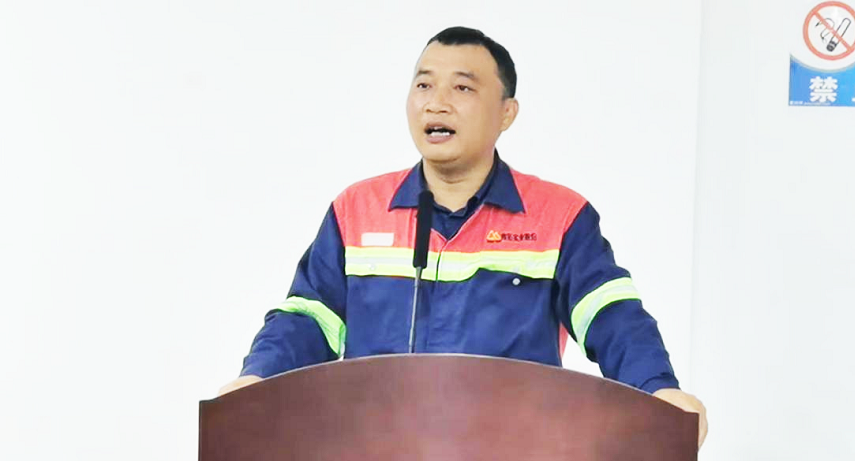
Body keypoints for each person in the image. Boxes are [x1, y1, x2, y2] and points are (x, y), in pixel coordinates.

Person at [219, 26, 707, 448]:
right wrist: (256, 380)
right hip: (373, 446)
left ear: (507, 113)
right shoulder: (357, 210)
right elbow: (308, 319)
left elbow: (612, 315)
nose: (437, 102)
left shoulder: (559, 216)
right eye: (423, 84)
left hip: (516, 449)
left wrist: (657, 390)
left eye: (462, 88)